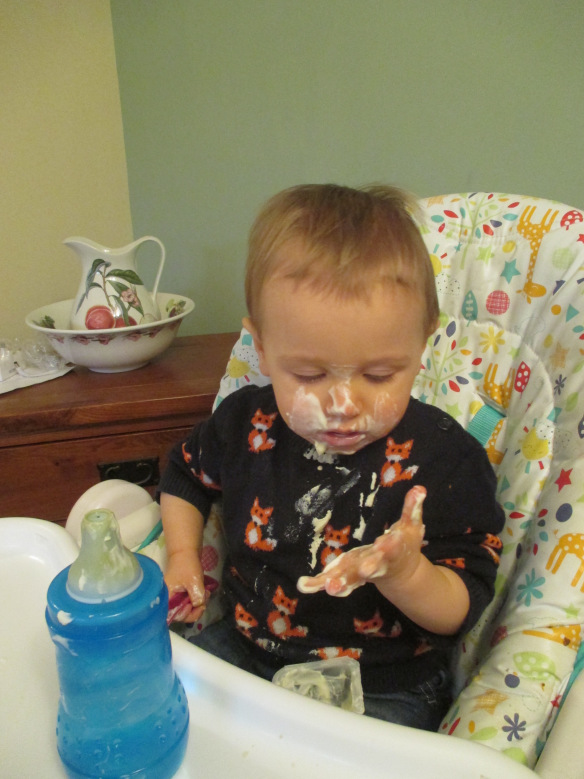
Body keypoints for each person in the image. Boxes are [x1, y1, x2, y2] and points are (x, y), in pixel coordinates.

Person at [159, 183, 505, 730]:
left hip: (384, 686)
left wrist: (405, 572)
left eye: (378, 375)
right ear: (263, 349)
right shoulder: (246, 425)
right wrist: (181, 556)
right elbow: (185, 474)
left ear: (421, 347)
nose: (343, 405)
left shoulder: (445, 459)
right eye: (310, 375)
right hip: (248, 654)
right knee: (161, 709)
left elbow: (458, 612)